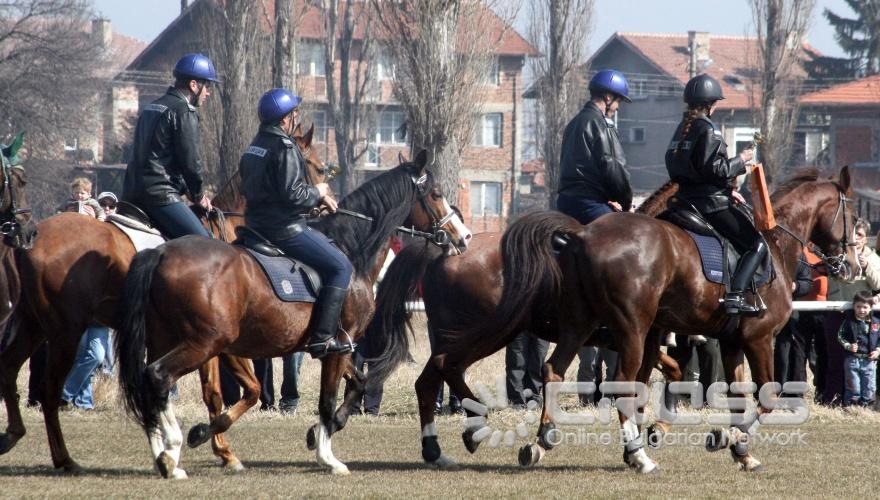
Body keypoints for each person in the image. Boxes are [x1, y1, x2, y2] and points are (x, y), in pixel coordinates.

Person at [239, 88, 353, 358]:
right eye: (294, 114)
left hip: (255, 225)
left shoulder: (254, 146)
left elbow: (269, 192)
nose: (296, 118)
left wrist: (311, 208)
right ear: (284, 119)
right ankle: (323, 339)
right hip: (284, 231)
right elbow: (294, 194)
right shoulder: (285, 147)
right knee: (341, 267)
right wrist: (320, 192)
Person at [556, 69, 632, 400]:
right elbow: (611, 166)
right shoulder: (600, 124)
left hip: (567, 202)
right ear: (608, 97)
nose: (618, 108)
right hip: (590, 204)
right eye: (618, 102)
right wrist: (625, 203)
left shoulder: (575, 123)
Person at [664, 73, 758, 315]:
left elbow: (680, 167)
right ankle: (736, 295)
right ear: (712, 103)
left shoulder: (681, 129)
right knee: (756, 245)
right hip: (710, 205)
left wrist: (729, 190)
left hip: (683, 200)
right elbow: (715, 170)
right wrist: (742, 159)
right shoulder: (708, 128)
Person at [122, 53, 217, 239]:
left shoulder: (151, 107)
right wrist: (198, 196)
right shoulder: (184, 111)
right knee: (206, 244)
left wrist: (184, 189)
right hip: (159, 195)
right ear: (193, 85)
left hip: (131, 192)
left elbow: (155, 158)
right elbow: (190, 161)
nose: (208, 92)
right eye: (207, 86)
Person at [774, 254, 813, 387]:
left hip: (791, 312)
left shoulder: (799, 255)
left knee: (794, 351)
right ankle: (777, 388)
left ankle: (793, 391)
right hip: (767, 311)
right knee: (779, 352)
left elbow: (807, 283)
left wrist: (796, 286)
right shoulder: (766, 248)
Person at [837, 290, 880, 406]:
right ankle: (852, 407)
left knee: (869, 385)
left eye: (865, 307)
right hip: (852, 359)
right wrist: (848, 346)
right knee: (853, 385)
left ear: (871, 307)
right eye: (858, 307)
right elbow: (840, 336)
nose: (862, 310)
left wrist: (878, 351)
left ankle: (867, 406)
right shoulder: (848, 322)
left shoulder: (876, 323)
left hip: (870, 360)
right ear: (853, 306)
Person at [505, 331, 548, 409]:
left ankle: (533, 398)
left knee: (538, 360)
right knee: (516, 362)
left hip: (543, 324)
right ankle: (516, 401)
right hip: (518, 323)